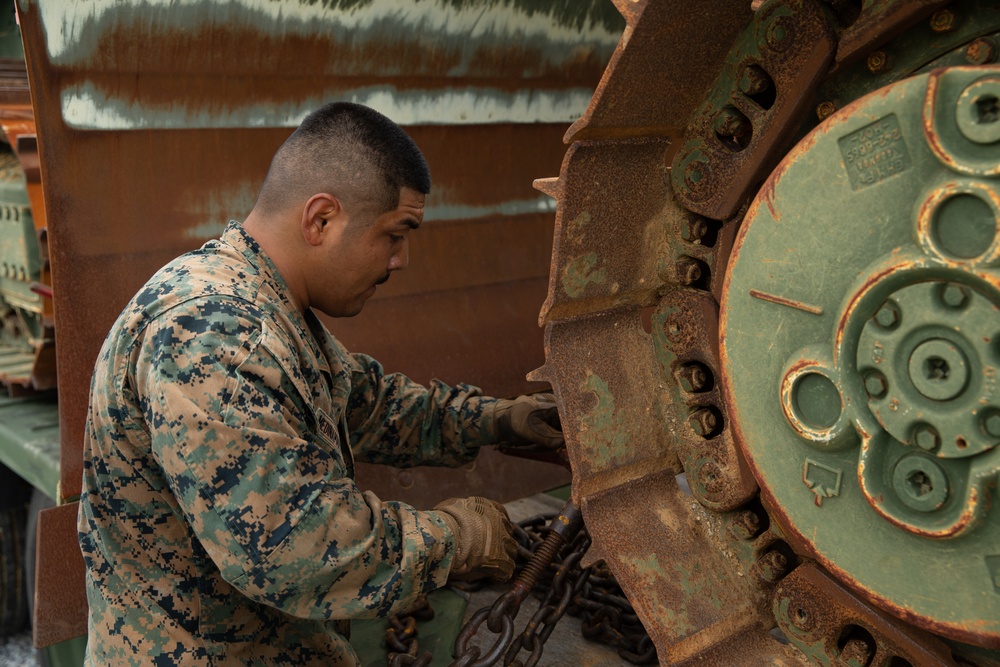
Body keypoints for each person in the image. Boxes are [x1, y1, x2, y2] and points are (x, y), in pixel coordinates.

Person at [78, 102, 564, 666]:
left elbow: (366, 404)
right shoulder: (213, 333)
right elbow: (292, 543)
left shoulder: (266, 309)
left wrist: (496, 419)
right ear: (322, 219)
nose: (401, 260)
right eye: (396, 234)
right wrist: (456, 539)